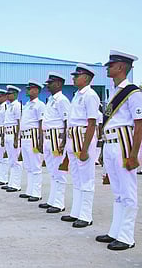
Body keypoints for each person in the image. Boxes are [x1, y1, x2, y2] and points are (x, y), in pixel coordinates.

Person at [96, 50, 141, 250]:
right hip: (110, 143)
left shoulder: (133, 92)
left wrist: (134, 155)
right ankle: (115, 231)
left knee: (128, 192)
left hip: (124, 144)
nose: (108, 68)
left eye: (111, 65)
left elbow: (139, 125)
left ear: (122, 67)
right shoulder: (114, 92)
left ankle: (126, 237)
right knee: (117, 192)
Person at [60, 63, 99, 228]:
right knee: (76, 179)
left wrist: (85, 149)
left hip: (83, 139)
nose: (74, 78)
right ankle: (76, 212)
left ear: (86, 78)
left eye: (77, 75)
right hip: (73, 139)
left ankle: (86, 215)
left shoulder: (90, 95)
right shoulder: (77, 95)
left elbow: (92, 123)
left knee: (86, 179)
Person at [39, 72, 70, 213]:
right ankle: (52, 199)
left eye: (50, 83)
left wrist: (64, 142)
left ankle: (59, 203)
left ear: (58, 84)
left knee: (59, 172)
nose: (48, 86)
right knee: (52, 172)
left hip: (57, 138)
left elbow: (67, 122)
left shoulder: (62, 100)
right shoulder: (51, 100)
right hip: (48, 138)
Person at [19, 80, 45, 202]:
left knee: (35, 166)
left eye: (30, 89)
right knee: (28, 166)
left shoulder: (39, 105)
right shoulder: (27, 105)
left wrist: (40, 141)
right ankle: (29, 190)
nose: (28, 91)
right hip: (25, 137)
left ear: (36, 90)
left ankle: (36, 192)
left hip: (33, 137)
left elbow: (41, 123)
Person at [4, 85, 23, 193]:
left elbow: (19, 122)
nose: (8, 95)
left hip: (14, 134)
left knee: (16, 161)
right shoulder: (9, 106)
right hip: (7, 133)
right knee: (11, 160)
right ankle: (11, 183)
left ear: (15, 94)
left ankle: (16, 184)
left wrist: (17, 138)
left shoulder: (17, 105)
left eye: (9, 93)